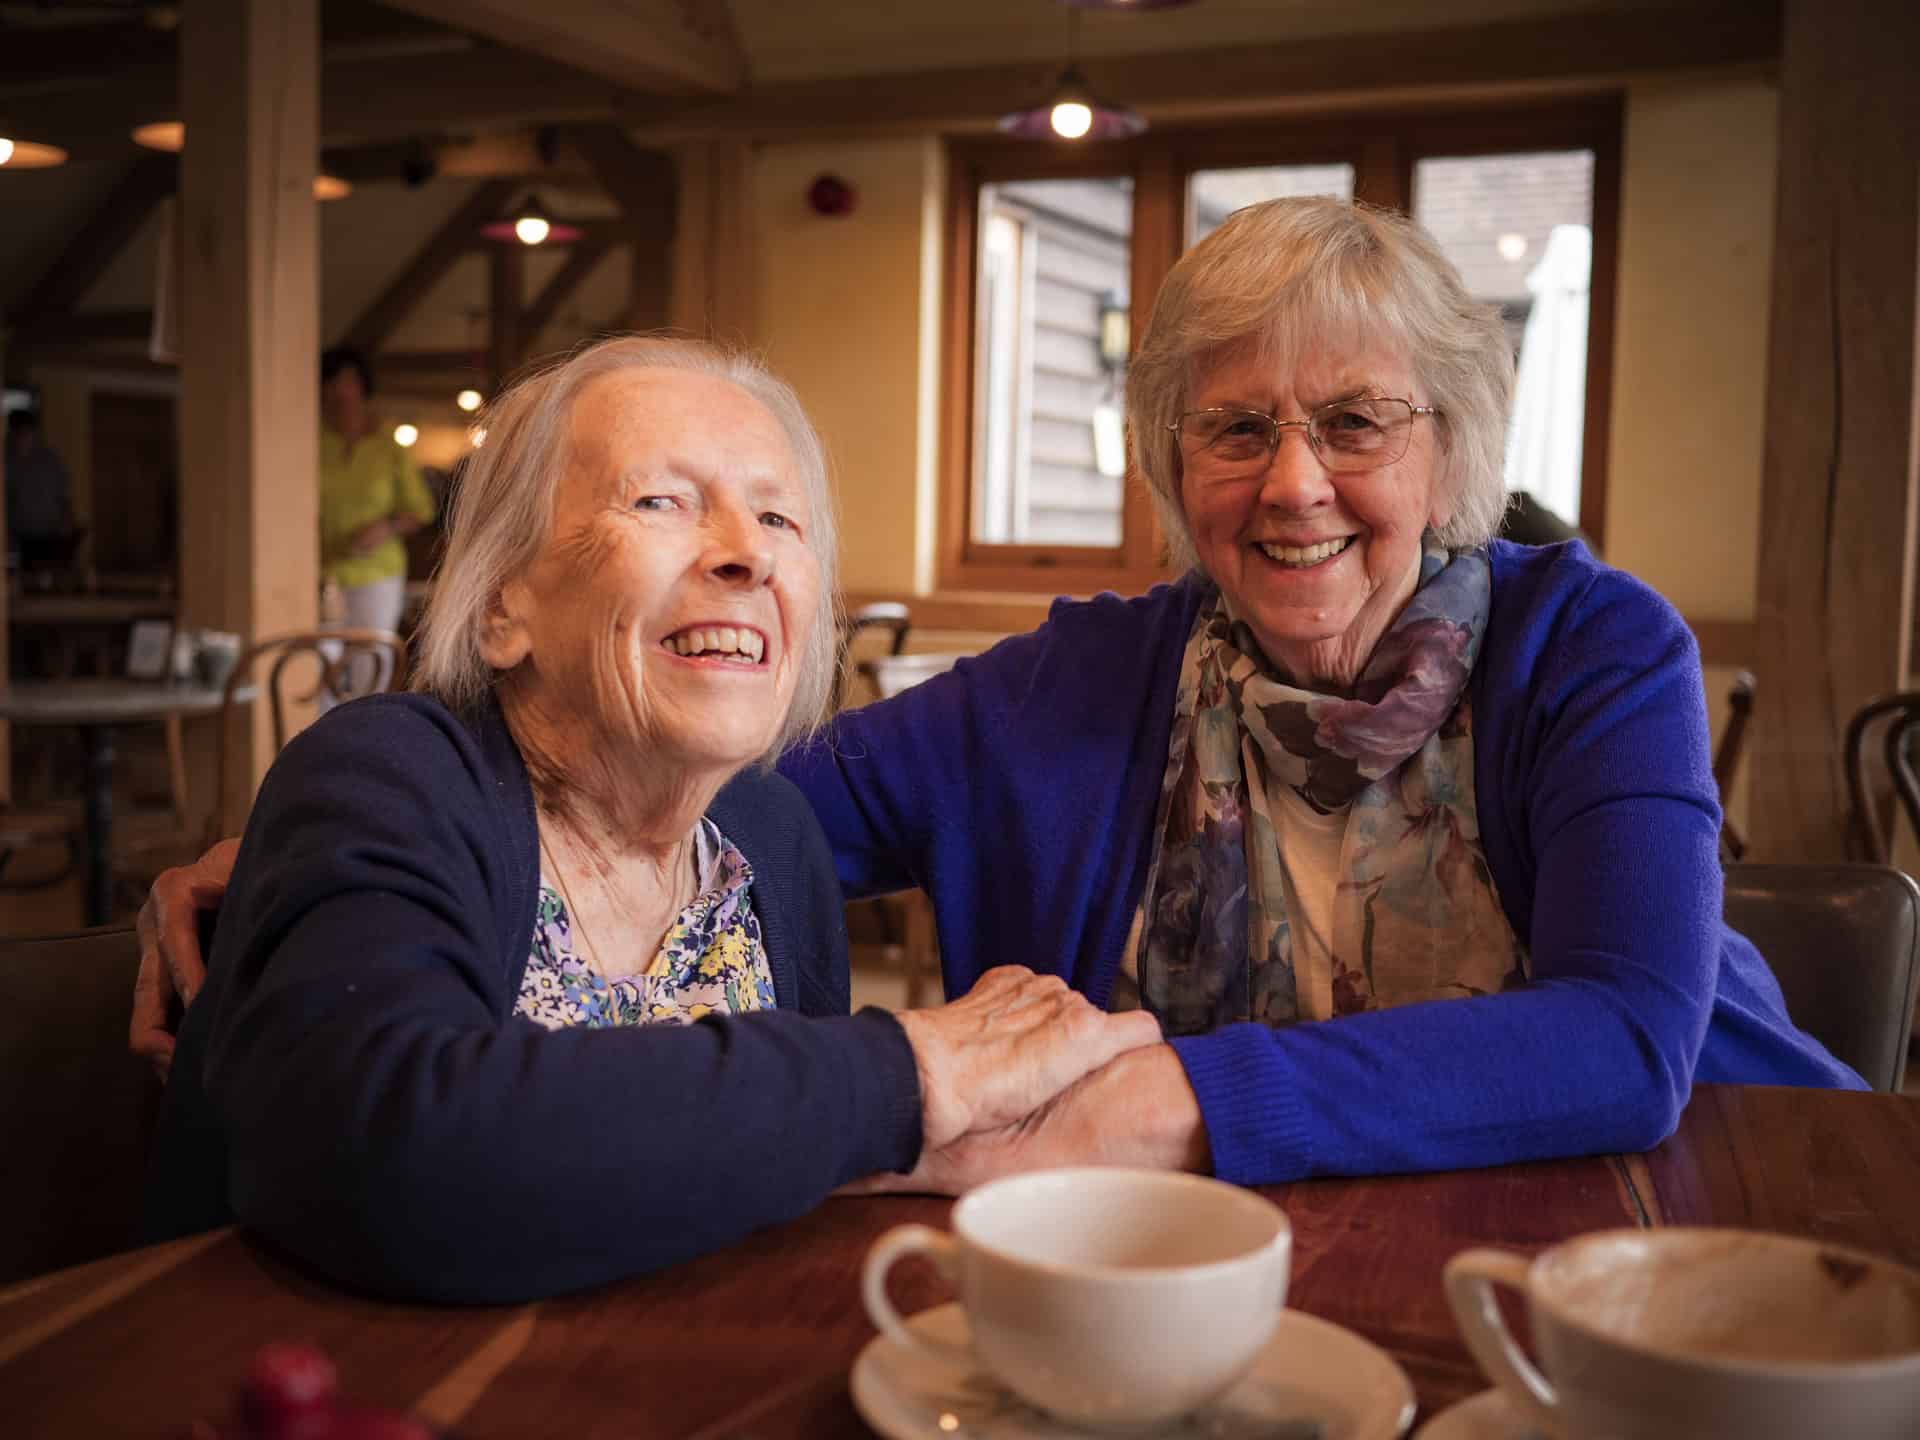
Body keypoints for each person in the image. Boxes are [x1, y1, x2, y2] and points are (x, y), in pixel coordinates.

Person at [138, 199, 1860, 1207]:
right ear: (1174, 465)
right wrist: (356, 852)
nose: (1296, 484)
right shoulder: (1081, 685)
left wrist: (1185, 1100)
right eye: (1234, 428)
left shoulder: (1592, 649)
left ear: (1453, 449)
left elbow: (1628, 1046)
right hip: (1181, 1288)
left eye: (1357, 422)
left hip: (1663, 1221)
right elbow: (708, 795)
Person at [140, 337, 1160, 1303]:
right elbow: (384, 1156)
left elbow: (763, 1185)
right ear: (503, 606)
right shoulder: (389, 772)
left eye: (779, 521)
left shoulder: (769, 840)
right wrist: (917, 1071)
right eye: (662, 501)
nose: (745, 558)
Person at [318, 348, 436, 693]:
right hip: (322, 572)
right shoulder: (311, 443)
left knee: (369, 662)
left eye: (349, 382)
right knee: (317, 661)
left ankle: (362, 739)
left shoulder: (388, 448)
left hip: (376, 573)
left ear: (362, 388)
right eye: (333, 382)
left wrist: (387, 527)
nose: (341, 392)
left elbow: (422, 509)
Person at [5, 410, 78, 571]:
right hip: (19, 538)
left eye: (28, 434)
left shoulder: (50, 460)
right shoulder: (7, 462)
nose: (24, 440)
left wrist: (67, 520)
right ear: (13, 435)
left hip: (50, 536)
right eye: (20, 435)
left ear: (34, 434)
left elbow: (64, 494)